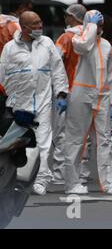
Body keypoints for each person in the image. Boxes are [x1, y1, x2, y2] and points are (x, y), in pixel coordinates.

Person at [0, 11, 68, 195]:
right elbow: (2, 76)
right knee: (15, 144)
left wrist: (61, 94)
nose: (40, 26)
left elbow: (57, 70)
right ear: (24, 27)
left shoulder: (47, 44)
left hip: (43, 102)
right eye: (35, 24)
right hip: (18, 104)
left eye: (40, 22)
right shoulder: (10, 49)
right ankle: (15, 176)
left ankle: (41, 180)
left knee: (43, 142)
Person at [63, 10, 112, 195]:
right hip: (81, 94)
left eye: (100, 25)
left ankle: (109, 182)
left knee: (105, 139)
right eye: (95, 24)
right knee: (75, 140)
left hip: (102, 96)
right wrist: (89, 26)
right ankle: (72, 183)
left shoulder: (107, 47)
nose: (98, 29)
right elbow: (84, 46)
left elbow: (111, 76)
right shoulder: (78, 40)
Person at [51, 4, 88, 185]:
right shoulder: (93, 37)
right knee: (82, 134)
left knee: (61, 133)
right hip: (87, 91)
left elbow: (55, 61)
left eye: (66, 15)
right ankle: (81, 173)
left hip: (67, 90)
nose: (65, 19)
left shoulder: (66, 37)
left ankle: (59, 174)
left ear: (72, 17)